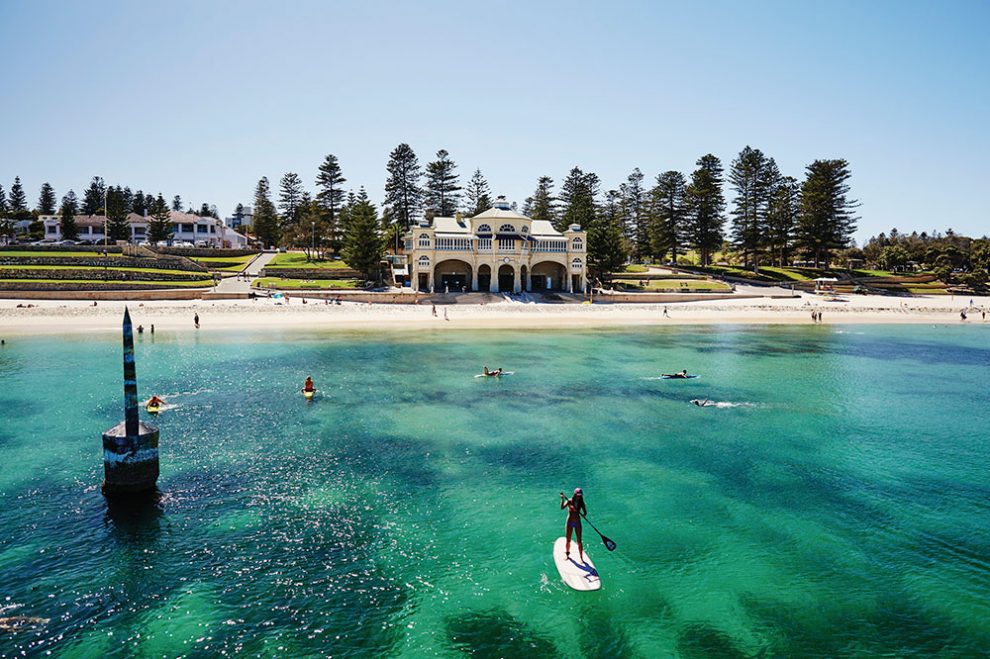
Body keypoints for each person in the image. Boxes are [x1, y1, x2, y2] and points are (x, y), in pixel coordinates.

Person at [559, 488, 587, 561]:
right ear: (575, 494)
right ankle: (567, 555)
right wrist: (562, 499)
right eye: (577, 495)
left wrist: (583, 515)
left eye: (580, 495)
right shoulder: (569, 501)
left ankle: (581, 558)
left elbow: (585, 512)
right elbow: (562, 508)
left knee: (579, 541)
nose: (578, 497)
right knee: (568, 540)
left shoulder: (581, 503)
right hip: (569, 522)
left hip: (577, 522)